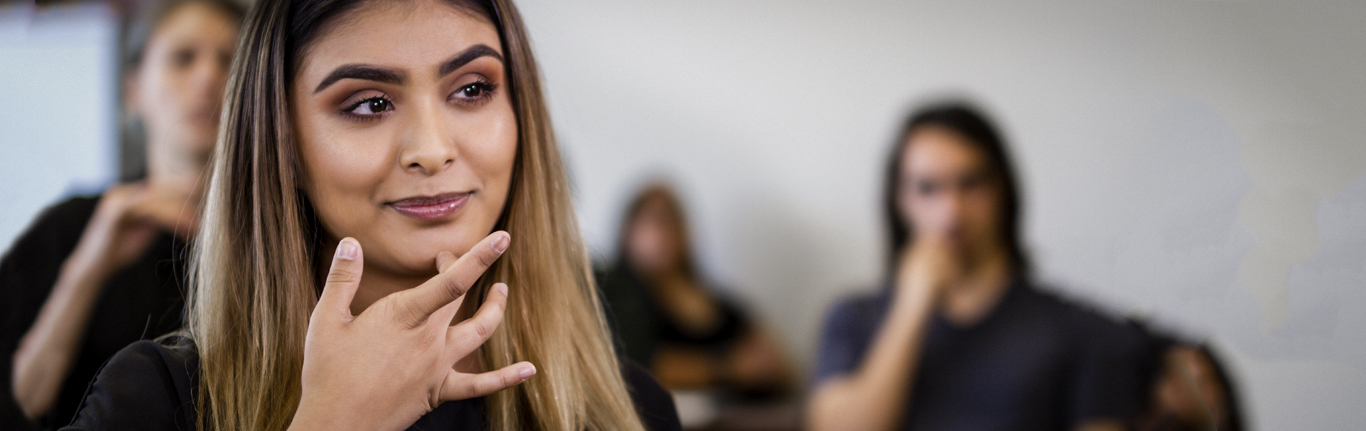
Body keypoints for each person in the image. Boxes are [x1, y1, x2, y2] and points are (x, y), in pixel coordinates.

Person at [55, 0, 682, 430]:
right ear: (282, 144)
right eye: (369, 103)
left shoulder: (630, 408)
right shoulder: (154, 403)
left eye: (472, 89)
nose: (432, 150)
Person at [807, 103, 1148, 431]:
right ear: (900, 200)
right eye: (928, 188)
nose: (951, 212)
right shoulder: (852, 319)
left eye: (970, 183)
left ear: (1003, 189)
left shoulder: (1078, 329)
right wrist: (911, 307)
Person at [0, 1, 243, 429]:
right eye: (182, 58)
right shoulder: (69, 228)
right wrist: (86, 271)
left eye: (229, 60)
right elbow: (19, 403)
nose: (208, 77)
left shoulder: (285, 231)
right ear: (134, 89)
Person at [596, 183, 793, 396]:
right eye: (654, 219)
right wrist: (728, 368)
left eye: (673, 219)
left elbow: (777, 363)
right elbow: (639, 365)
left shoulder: (713, 299)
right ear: (628, 229)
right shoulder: (618, 297)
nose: (664, 231)